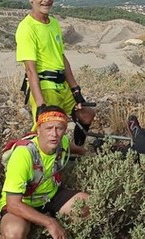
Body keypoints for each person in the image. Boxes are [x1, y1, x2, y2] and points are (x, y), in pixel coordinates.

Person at [0, 105, 90, 239]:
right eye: (48, 128)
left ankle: (56, 238)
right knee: (13, 235)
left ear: (64, 130)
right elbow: (13, 204)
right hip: (22, 203)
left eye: (59, 128)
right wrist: (49, 222)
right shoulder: (24, 154)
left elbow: (73, 147)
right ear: (38, 129)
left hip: (50, 196)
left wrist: (92, 152)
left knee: (89, 205)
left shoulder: (60, 142)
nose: (54, 134)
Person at [15, 0, 96, 146]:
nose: (45, 1)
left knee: (86, 114)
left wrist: (76, 90)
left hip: (62, 85)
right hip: (45, 87)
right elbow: (30, 70)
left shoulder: (53, 23)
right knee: (51, 129)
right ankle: (37, 158)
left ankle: (76, 150)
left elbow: (61, 57)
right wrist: (41, 105)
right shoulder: (27, 28)